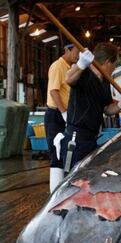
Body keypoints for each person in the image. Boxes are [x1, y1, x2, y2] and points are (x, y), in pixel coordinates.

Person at [59, 42, 121, 172]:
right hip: (76, 139)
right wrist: (81, 64)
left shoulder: (105, 82)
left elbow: (106, 109)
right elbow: (69, 79)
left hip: (91, 139)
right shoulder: (83, 71)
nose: (114, 68)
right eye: (115, 65)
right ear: (108, 62)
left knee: (88, 178)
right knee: (72, 181)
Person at [44, 42, 79, 192]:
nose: (78, 55)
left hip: (65, 114)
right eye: (77, 52)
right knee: (56, 152)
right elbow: (53, 91)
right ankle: (54, 194)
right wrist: (63, 112)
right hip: (56, 115)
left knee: (65, 151)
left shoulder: (70, 68)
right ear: (67, 49)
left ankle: (62, 190)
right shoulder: (58, 66)